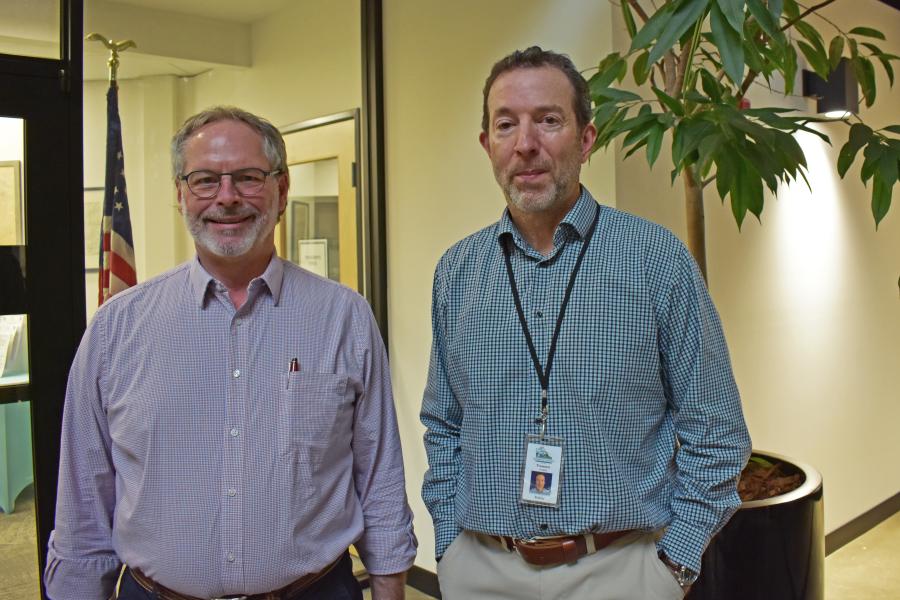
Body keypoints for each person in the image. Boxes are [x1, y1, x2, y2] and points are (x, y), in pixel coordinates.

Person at [420, 47, 751, 600]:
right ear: (487, 145)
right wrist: (451, 547)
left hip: (621, 572)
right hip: (482, 570)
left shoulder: (656, 260)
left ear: (587, 138)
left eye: (548, 120)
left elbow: (717, 433)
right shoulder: (456, 272)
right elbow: (444, 423)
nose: (526, 143)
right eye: (506, 124)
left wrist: (672, 564)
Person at [46, 106, 416, 600]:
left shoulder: (344, 317)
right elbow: (84, 500)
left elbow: (379, 476)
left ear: (281, 190)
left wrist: (390, 585)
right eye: (205, 180)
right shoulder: (117, 329)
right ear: (181, 194)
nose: (227, 197)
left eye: (247, 177)